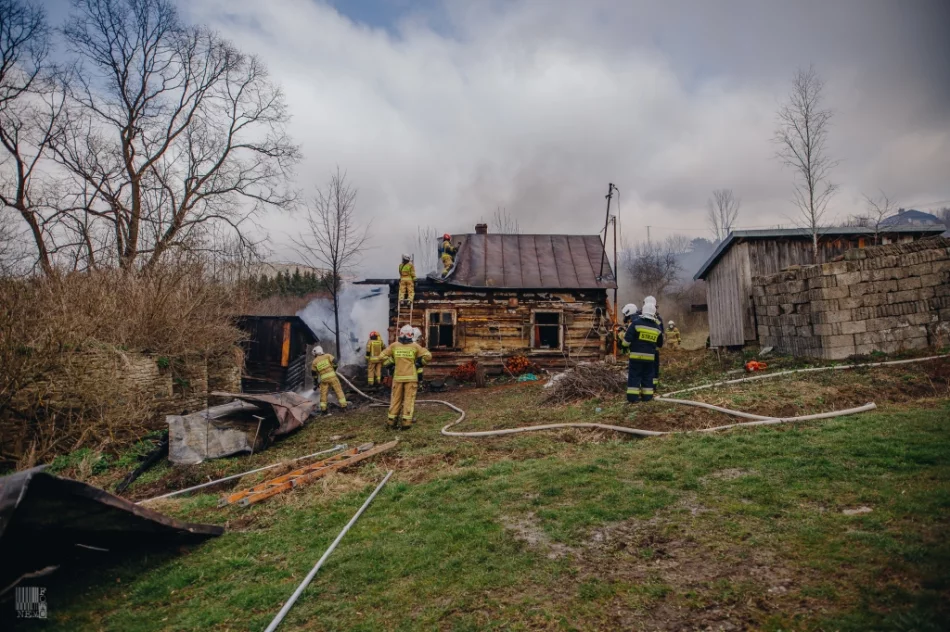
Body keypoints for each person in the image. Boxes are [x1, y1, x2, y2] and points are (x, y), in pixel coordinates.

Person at [379, 325, 432, 429]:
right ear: (411, 335)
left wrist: (391, 364)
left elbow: (381, 356)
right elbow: (428, 356)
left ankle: (391, 422)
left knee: (395, 399)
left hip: (398, 377)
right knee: (409, 399)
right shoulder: (415, 346)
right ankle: (406, 423)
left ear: (400, 334)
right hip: (411, 378)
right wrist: (418, 363)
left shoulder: (394, 345)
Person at [624, 302, 663, 403]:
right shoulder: (657, 328)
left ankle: (633, 398)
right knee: (647, 377)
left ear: (643, 311)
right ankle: (647, 397)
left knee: (634, 376)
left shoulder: (636, 323)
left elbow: (626, 341)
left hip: (636, 357)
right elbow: (660, 344)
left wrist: (624, 346)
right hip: (650, 358)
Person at [310, 346, 347, 414]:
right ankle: (344, 407)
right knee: (338, 391)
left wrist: (315, 382)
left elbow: (314, 374)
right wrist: (334, 369)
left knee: (323, 394)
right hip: (333, 377)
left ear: (315, 353)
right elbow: (335, 362)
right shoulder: (327, 356)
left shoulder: (314, 362)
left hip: (324, 380)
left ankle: (324, 410)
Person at [644, 296, 663, 390]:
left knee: (645, 368)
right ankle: (653, 386)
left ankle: (646, 386)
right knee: (654, 368)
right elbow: (661, 333)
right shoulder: (658, 319)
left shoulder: (640, 318)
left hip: (643, 348)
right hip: (654, 348)